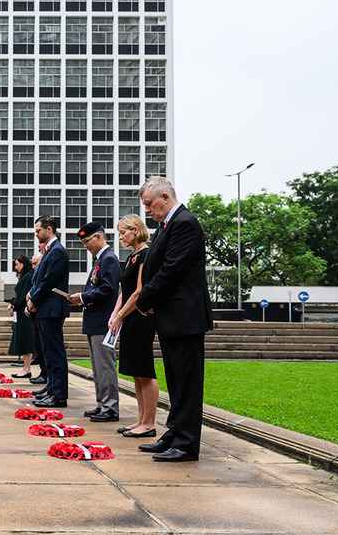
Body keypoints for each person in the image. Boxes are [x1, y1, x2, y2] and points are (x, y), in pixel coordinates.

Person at [135, 176, 213, 462]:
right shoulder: (168, 225)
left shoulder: (184, 224)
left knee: (188, 382)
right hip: (172, 316)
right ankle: (175, 432)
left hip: (186, 317)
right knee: (177, 381)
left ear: (165, 197)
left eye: (149, 204)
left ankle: (187, 442)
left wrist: (144, 299)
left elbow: (171, 270)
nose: (148, 210)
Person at [108, 214, 158, 438]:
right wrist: (115, 314)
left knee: (145, 370)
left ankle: (149, 423)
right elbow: (124, 290)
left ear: (136, 230)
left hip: (141, 317)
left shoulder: (146, 255)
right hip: (129, 316)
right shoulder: (130, 258)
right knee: (136, 372)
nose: (121, 237)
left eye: (123, 232)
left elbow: (139, 292)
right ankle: (140, 420)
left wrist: (120, 314)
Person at [69, 223, 121, 422]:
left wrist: (82, 297)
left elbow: (108, 289)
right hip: (95, 320)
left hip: (103, 321)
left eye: (87, 241)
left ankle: (110, 407)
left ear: (99, 237)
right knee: (97, 366)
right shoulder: (100, 260)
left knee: (105, 365)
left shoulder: (109, 259)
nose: (85, 246)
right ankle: (102, 404)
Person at [26, 215, 70, 408]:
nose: (36, 234)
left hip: (52, 308)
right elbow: (39, 280)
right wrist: (31, 297)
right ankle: (52, 389)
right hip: (45, 308)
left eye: (38, 230)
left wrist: (33, 300)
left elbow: (49, 281)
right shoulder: (50, 251)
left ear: (49, 229)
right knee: (48, 352)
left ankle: (58, 394)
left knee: (55, 352)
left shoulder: (57, 252)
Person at [8, 255, 36, 379]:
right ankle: (25, 368)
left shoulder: (28, 276)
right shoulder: (25, 277)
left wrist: (14, 303)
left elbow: (23, 296)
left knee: (26, 341)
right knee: (23, 340)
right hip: (21, 313)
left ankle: (27, 369)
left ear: (23, 264)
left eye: (17, 264)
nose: (16, 267)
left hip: (25, 313)